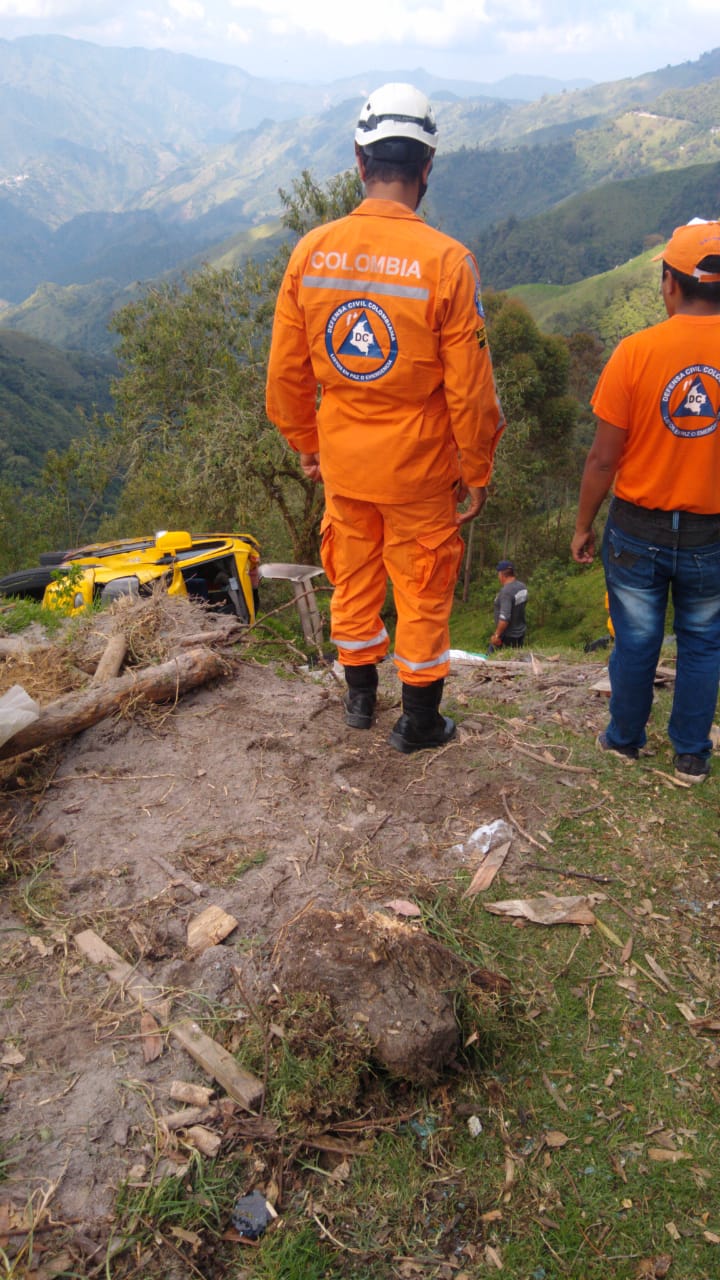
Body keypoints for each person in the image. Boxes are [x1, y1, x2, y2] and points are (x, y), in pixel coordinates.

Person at [266, 83, 505, 753]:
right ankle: (419, 722)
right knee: (422, 589)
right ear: (428, 167)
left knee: (353, 576)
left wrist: (307, 445)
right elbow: (470, 390)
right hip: (421, 468)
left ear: (358, 158)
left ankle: (360, 698)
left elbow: (286, 374)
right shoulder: (447, 263)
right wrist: (477, 467)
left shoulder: (312, 252)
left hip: (344, 460)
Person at [571, 218, 720, 784]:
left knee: (635, 640)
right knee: (704, 642)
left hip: (638, 528)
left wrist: (583, 525)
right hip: (713, 532)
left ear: (670, 284)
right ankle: (690, 755)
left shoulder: (636, 353)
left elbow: (603, 460)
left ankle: (625, 742)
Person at [489, 560, 528, 650]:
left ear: (502, 575)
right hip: (520, 633)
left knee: (491, 661)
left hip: (506, 636)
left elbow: (504, 618)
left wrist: (496, 635)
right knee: (514, 659)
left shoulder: (506, 592)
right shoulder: (522, 587)